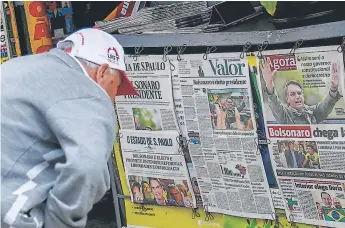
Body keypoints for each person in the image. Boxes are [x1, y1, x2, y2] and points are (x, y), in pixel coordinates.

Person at [1, 28, 138, 228]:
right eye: (116, 86)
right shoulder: (89, 93)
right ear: (102, 72)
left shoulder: (15, 67)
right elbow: (88, 168)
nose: (114, 98)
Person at [260, 58, 342, 124]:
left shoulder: (312, 112)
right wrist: (269, 83)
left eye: (299, 93)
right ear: (287, 99)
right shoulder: (284, 115)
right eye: (292, 94)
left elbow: (326, 105)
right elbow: (275, 104)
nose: (297, 96)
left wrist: (334, 87)